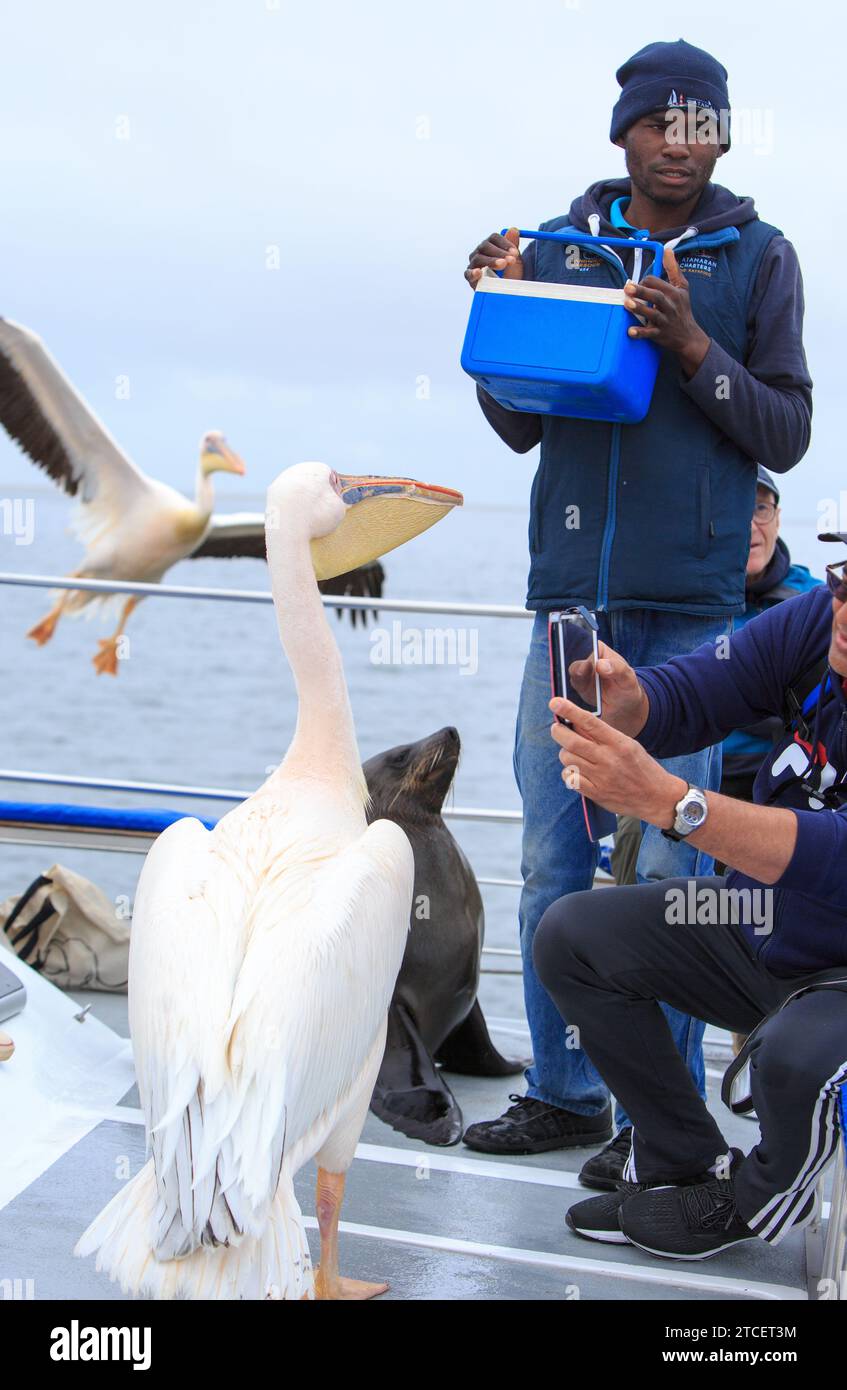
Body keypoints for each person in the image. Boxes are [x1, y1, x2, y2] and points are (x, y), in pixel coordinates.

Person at [462, 39, 812, 1166]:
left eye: (699, 123)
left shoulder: (759, 260)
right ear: (624, 133)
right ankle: (563, 1094)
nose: (679, 142)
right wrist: (493, 318)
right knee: (556, 854)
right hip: (571, 604)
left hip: (702, 615)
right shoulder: (560, 249)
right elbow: (521, 420)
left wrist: (692, 345)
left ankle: (651, 1121)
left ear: (722, 135)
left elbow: (786, 432)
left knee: (671, 870)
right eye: (659, 123)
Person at [531, 534, 847, 1259]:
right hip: (758, 917)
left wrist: (675, 804)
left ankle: (744, 1205)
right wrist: (626, 698)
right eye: (843, 577)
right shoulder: (816, 620)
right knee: (575, 934)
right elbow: (694, 693)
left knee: (796, 1060)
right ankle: (683, 1165)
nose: (843, 609)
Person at [719, 465, 819, 811]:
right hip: (701, 773)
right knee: (635, 832)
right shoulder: (679, 605)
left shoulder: (816, 600)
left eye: (760, 508)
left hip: (794, 774)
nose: (749, 526)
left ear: (777, 518)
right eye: (735, 508)